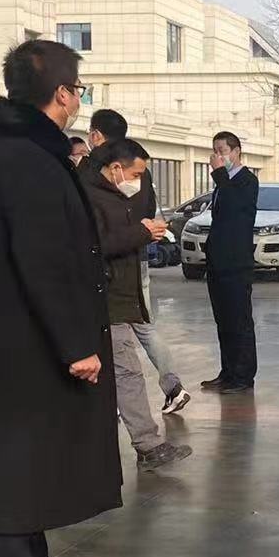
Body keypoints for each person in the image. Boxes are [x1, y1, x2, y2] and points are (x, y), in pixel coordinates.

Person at [0, 39, 120, 557]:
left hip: (23, 341)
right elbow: (41, 259)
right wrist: (76, 343)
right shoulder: (23, 158)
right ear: (61, 93)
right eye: (78, 88)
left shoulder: (23, 151)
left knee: (33, 472)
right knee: (13, 472)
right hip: (24, 346)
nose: (79, 98)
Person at [82, 136, 193, 471]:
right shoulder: (90, 196)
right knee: (127, 371)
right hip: (106, 297)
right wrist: (142, 233)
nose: (139, 181)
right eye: (136, 174)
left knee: (117, 372)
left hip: (123, 295)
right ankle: (148, 444)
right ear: (116, 168)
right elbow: (97, 244)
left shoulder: (118, 195)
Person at [201, 131, 258, 393]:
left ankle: (243, 376)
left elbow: (235, 207)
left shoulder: (246, 181)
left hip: (236, 264)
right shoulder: (222, 183)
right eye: (215, 151)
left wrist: (219, 174)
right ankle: (228, 372)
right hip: (218, 262)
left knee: (239, 321)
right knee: (223, 320)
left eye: (222, 151)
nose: (218, 156)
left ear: (236, 152)